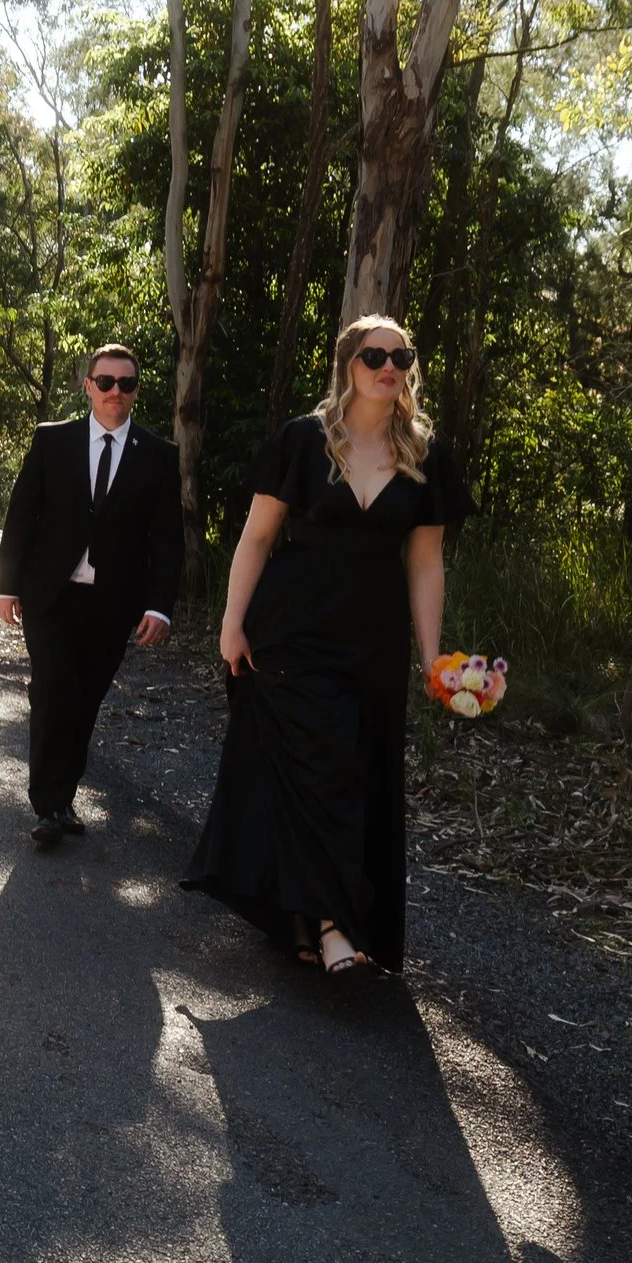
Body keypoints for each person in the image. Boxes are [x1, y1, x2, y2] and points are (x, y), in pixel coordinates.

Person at [183, 314, 468, 975]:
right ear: (348, 365)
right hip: (290, 627)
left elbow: (426, 564)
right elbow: (256, 538)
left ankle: (309, 922)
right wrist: (232, 622)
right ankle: (335, 928)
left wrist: (434, 659)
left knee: (350, 771)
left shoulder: (427, 454)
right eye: (374, 356)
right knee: (313, 768)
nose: (389, 367)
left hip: (371, 637)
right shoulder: (302, 441)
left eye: (401, 356)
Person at [0, 343, 184, 850]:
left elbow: (167, 540)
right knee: (53, 688)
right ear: (88, 386)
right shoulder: (52, 441)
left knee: (86, 700)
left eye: (125, 384)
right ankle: (48, 804)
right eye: (106, 382)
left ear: (135, 391)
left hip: (113, 603)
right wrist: (6, 584)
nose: (115, 392)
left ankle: (61, 796)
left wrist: (159, 605)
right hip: (49, 594)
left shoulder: (159, 456)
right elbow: (21, 514)